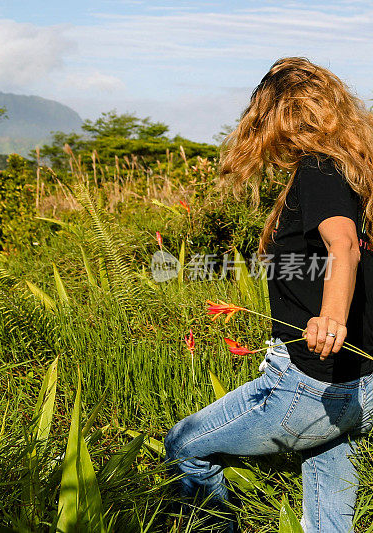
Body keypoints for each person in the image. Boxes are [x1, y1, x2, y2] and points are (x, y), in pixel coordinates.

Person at [164, 57, 373, 532]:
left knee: (184, 447)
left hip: (310, 381)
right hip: (361, 382)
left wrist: (331, 317)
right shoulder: (361, 176)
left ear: (270, 118)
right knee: (326, 500)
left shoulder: (319, 171)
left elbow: (342, 244)